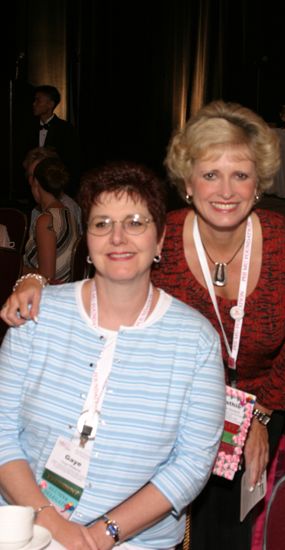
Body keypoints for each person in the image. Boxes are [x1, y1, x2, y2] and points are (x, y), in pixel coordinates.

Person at [1, 101, 285, 549]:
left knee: (231, 529)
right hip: (156, 407)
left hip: (256, 402)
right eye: (210, 174)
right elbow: (102, 278)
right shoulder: (154, 233)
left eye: (241, 175)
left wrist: (263, 416)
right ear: (188, 183)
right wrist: (31, 277)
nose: (225, 190)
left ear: (259, 182)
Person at [0, 161, 225, 550]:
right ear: (88, 239)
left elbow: (191, 464)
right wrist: (53, 525)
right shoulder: (36, 317)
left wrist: (104, 534)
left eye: (136, 222)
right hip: (24, 525)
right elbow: (2, 434)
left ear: (159, 242)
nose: (118, 237)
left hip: (135, 541)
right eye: (102, 223)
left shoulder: (196, 342)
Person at [23, 156, 79, 282]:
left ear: (36, 183)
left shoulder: (46, 220)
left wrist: (15, 267)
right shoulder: (68, 213)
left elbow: (47, 277)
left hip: (48, 296)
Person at [29, 85, 80, 195]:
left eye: (38, 100)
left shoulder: (66, 129)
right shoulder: (27, 127)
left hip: (57, 186)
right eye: (34, 100)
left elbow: (73, 160)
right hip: (32, 186)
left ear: (50, 104)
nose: (34, 104)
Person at [24, 147, 83, 235]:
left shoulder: (69, 208)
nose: (35, 181)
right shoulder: (36, 211)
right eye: (31, 175)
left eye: (39, 175)